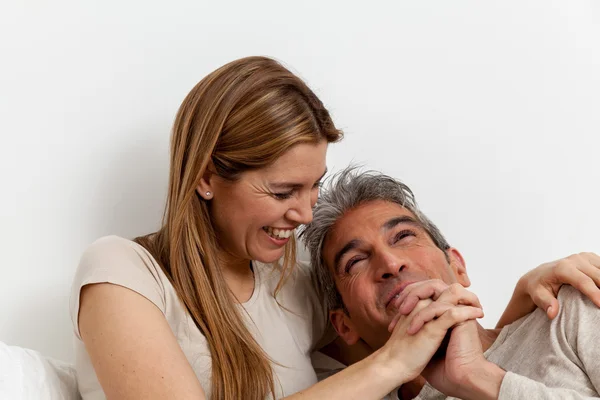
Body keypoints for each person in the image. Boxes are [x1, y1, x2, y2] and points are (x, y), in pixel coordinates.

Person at [70, 56, 600, 400]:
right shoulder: (123, 273)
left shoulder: (292, 283)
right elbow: (397, 352)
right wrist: (390, 363)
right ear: (207, 176)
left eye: (314, 186)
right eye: (282, 192)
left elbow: (425, 334)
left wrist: (519, 303)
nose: (303, 214)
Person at [301, 167, 600, 399]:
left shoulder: (569, 308)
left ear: (456, 265)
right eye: (355, 261)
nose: (391, 264)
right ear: (344, 326)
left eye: (404, 236)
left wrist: (478, 378)